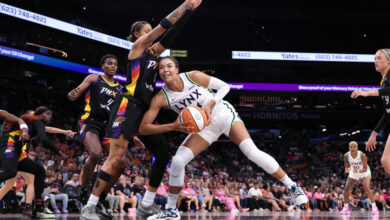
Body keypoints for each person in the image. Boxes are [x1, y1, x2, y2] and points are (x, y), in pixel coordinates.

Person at [139, 57, 309, 220]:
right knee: (177, 161)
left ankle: (292, 186)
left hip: (222, 114)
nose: (165, 70)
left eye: (169, 66)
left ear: (177, 69)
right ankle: (171, 209)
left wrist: (209, 104)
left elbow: (224, 87)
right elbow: (143, 128)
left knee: (252, 152)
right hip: (204, 128)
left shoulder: (193, 76)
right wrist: (173, 126)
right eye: (161, 68)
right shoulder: (161, 97)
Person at [80, 1, 202, 219]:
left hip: (143, 110)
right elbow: (164, 27)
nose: (150, 33)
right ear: (137, 34)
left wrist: (190, 13)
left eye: (149, 31)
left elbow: (171, 34)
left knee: (163, 153)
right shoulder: (137, 50)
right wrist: (184, 5)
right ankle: (89, 206)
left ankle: (146, 205)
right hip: (127, 106)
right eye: (146, 31)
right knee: (116, 158)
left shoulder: (154, 55)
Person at [68, 54, 124, 218]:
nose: (113, 66)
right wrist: (74, 93)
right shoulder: (94, 78)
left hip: (108, 126)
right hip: (90, 122)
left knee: (121, 162)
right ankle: (84, 192)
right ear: (103, 66)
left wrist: (131, 134)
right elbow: (79, 89)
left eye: (115, 64)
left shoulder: (120, 88)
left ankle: (100, 199)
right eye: (109, 63)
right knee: (96, 154)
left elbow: (119, 112)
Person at [0, 107, 65, 218]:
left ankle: (38, 207)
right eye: (48, 114)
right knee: (11, 173)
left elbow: (47, 130)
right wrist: (59, 152)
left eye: (51, 115)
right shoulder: (36, 121)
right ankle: (30, 207)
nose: (50, 117)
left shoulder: (36, 124)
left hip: (18, 152)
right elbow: (43, 139)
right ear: (39, 115)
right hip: (9, 145)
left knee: (39, 171)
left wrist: (65, 131)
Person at [351, 48, 390, 175]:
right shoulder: (384, 81)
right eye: (375, 59)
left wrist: (367, 93)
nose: (376, 61)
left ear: (389, 61)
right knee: (385, 161)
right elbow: (388, 113)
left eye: (379, 58)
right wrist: (374, 135)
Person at [339, 141, 378, 215]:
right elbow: (347, 166)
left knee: (366, 187)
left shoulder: (362, 155)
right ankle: (346, 208)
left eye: (354, 147)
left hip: (364, 172)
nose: (352, 148)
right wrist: (346, 169)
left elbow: (365, 168)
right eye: (351, 147)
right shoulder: (346, 155)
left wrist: (358, 170)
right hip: (354, 172)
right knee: (346, 188)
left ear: (357, 148)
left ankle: (374, 207)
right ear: (349, 148)